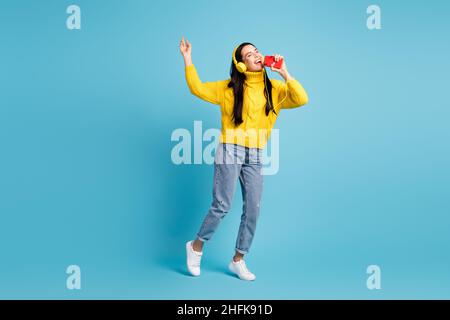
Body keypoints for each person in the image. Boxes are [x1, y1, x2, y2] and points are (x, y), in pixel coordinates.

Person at [179, 37, 309, 281]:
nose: (256, 55)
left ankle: (238, 259)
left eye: (257, 51)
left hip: (256, 152)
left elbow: (302, 99)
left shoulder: (276, 91)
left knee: (253, 208)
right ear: (240, 65)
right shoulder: (227, 88)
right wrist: (188, 59)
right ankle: (196, 246)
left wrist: (284, 73)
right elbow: (197, 88)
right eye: (249, 54)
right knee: (222, 205)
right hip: (230, 148)